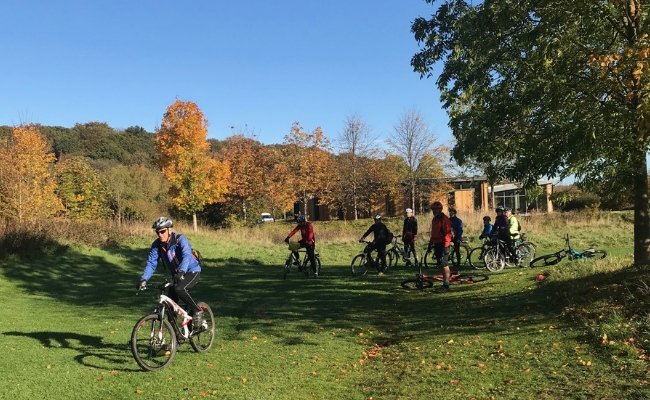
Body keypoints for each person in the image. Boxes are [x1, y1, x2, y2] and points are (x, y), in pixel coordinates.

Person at [138, 217, 204, 330]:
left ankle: (197, 311)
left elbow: (187, 255)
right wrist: (144, 279)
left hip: (192, 271)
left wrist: (182, 270)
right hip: (177, 274)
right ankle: (176, 337)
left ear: (169, 230)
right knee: (170, 306)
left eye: (162, 231)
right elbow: (151, 263)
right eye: (157, 232)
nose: (160, 235)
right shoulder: (157, 245)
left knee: (179, 289)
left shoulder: (180, 239)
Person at [427, 201, 452, 291]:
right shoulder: (434, 219)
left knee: (444, 264)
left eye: (436, 210)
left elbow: (448, 233)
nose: (435, 212)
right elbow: (433, 233)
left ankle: (446, 285)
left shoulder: (444, 219)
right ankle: (446, 280)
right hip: (437, 243)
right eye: (433, 210)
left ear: (440, 210)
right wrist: (430, 244)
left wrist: (446, 246)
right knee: (440, 264)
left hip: (443, 244)